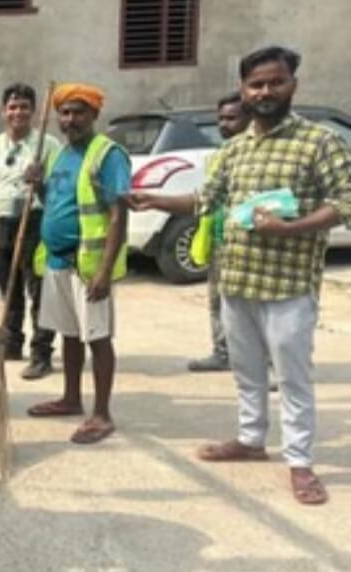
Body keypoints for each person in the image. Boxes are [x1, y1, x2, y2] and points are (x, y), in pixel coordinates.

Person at [129, 46, 351, 505]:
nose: (265, 91)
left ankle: (300, 462)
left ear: (293, 85)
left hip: (289, 284)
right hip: (236, 280)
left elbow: (345, 201)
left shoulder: (319, 142)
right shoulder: (233, 149)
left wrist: (291, 227)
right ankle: (251, 440)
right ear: (244, 90)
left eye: (275, 82)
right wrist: (154, 200)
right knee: (246, 371)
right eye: (256, 84)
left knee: (292, 377)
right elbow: (204, 200)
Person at [24, 83, 131, 445]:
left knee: (97, 337)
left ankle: (102, 414)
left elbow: (118, 214)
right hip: (57, 261)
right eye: (65, 113)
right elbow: (56, 201)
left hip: (88, 265)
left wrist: (104, 271)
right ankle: (71, 398)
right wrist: (38, 184)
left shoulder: (108, 155)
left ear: (94, 114)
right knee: (69, 334)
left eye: (79, 112)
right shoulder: (61, 154)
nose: (70, 119)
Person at [0, 82, 63, 379]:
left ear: (34, 111)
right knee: (9, 287)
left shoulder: (48, 145)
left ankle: (41, 354)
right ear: (4, 111)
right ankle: (12, 343)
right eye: (12, 107)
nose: (18, 112)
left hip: (36, 220)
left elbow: (59, 190)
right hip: (2, 222)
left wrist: (39, 183)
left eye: (24, 107)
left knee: (38, 289)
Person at [187, 93, 250, 373]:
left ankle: (267, 363)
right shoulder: (219, 155)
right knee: (217, 302)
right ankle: (222, 353)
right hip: (218, 239)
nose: (224, 124)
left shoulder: (254, 155)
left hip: (245, 243)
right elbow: (207, 198)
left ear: (249, 118)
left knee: (249, 306)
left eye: (231, 118)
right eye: (221, 118)